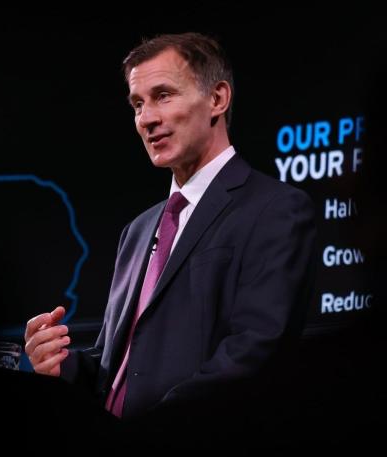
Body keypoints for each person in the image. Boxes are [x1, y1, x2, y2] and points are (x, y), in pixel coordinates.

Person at [24, 33, 317, 423]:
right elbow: (120, 369)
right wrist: (64, 367)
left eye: (163, 95)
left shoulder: (276, 209)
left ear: (217, 99)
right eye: (137, 104)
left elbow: (254, 353)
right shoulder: (138, 231)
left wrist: (150, 435)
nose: (147, 118)